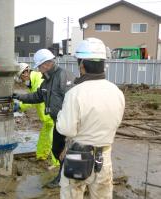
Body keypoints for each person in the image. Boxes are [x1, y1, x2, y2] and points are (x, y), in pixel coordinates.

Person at [56, 38, 125, 198]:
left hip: (77, 154)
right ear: (103, 64)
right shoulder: (116, 92)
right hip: (104, 156)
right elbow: (116, 123)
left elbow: (67, 129)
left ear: (82, 65)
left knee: (72, 194)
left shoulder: (75, 93)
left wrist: (60, 115)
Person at [12, 49, 75, 188]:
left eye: (39, 67)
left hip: (67, 123)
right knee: (57, 149)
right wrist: (18, 96)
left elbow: (74, 101)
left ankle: (63, 178)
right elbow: (38, 96)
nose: (38, 70)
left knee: (67, 150)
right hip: (57, 122)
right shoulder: (47, 80)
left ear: (47, 64)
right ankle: (63, 175)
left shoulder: (63, 76)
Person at [14, 63, 58, 166]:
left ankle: (57, 164)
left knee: (54, 140)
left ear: (25, 72)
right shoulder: (33, 81)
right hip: (47, 117)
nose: (22, 79)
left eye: (21, 76)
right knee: (44, 137)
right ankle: (41, 156)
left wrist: (20, 106)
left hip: (51, 115)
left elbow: (34, 99)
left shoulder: (38, 80)